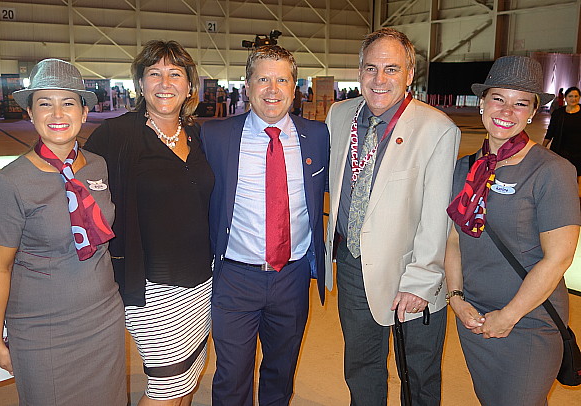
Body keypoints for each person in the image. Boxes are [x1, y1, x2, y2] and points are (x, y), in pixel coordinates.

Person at [324, 28, 461, 406]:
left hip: (409, 272)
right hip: (353, 266)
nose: (379, 80)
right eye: (370, 69)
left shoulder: (436, 128)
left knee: (417, 374)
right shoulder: (340, 115)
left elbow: (437, 217)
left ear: (409, 74)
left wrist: (421, 280)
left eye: (391, 69)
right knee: (362, 367)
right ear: (358, 72)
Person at [0, 58, 126, 405]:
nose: (57, 113)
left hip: (103, 319)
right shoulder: (8, 184)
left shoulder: (97, 165)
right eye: (45, 103)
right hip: (41, 330)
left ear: (84, 112)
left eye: (68, 102)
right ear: (30, 114)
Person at [445, 55, 581, 406]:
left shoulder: (552, 171)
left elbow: (559, 258)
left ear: (533, 112)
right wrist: (456, 299)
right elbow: (455, 240)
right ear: (482, 104)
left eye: (521, 103)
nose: (507, 111)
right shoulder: (465, 168)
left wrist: (508, 316)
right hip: (475, 319)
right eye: (498, 99)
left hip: (529, 321)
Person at [84, 40, 213, 406]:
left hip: (201, 281)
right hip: (152, 289)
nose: (164, 83)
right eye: (154, 74)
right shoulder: (117, 135)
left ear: (189, 86)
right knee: (165, 390)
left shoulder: (196, 134)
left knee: (188, 378)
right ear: (140, 84)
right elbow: (79, 195)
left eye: (175, 74)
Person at [200, 45, 329, 406]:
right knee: (231, 374)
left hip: (292, 275)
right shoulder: (216, 136)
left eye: (281, 80)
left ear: (294, 87)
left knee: (281, 370)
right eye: (263, 79)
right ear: (247, 85)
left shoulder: (317, 136)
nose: (272, 89)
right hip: (234, 277)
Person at [543, 86, 581, 187]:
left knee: (578, 175)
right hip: (561, 149)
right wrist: (543, 147)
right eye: (571, 96)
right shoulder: (558, 113)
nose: (573, 99)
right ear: (565, 97)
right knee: (560, 174)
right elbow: (550, 131)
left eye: (576, 96)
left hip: (578, 152)